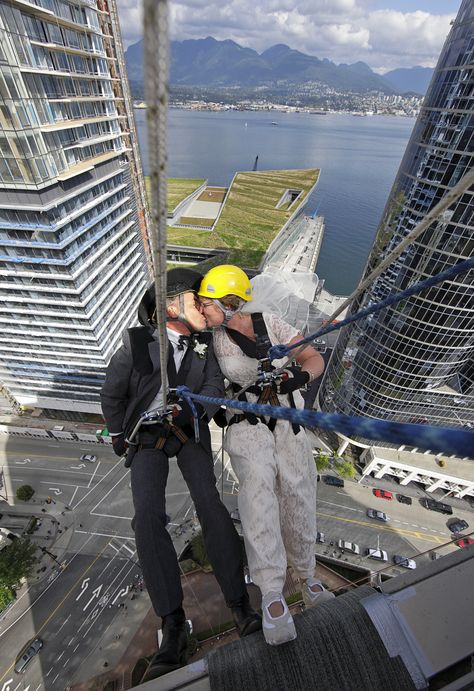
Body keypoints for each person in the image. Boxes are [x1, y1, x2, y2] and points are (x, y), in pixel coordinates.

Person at [101, 268, 261, 680]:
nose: (203, 310)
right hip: (146, 435)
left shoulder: (205, 346)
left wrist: (193, 410)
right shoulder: (138, 344)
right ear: (170, 306)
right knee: (146, 518)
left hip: (188, 429)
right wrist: (120, 437)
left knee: (210, 504)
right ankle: (172, 622)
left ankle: (239, 604)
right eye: (195, 300)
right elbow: (113, 392)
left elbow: (213, 390)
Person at [198, 265, 334, 646]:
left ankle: (307, 576)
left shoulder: (269, 323)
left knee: (299, 492)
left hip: (287, 420)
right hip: (247, 423)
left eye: (209, 304)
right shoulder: (212, 341)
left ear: (230, 302)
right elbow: (207, 382)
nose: (204, 311)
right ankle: (273, 591)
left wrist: (299, 377)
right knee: (258, 497)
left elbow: (313, 358)